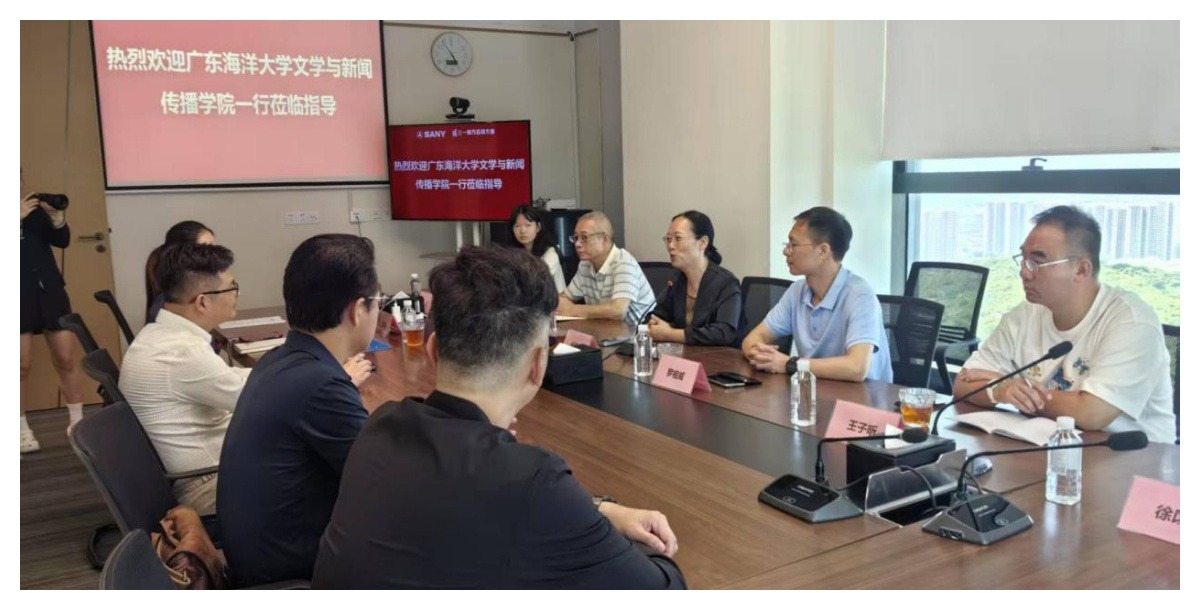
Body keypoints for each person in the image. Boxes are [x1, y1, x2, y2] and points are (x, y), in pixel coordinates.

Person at [313, 246, 686, 589]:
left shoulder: (380, 426)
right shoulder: (530, 479)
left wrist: (599, 509)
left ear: (432, 350)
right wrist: (636, 545)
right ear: (538, 366)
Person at [218, 234, 381, 586]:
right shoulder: (321, 385)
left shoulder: (279, 359)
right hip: (291, 569)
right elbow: (384, 480)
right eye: (377, 303)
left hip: (258, 553)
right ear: (357, 310)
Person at [954, 205, 1176, 443]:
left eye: (1037, 262)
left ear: (1081, 269)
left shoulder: (1132, 321)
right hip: (1048, 446)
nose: (1024, 273)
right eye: (1023, 260)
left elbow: (1091, 413)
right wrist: (1000, 390)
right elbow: (963, 383)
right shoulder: (1025, 314)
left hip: (1131, 456)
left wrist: (1018, 392)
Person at [119, 243, 249, 513]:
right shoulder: (183, 352)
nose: (237, 294)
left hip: (207, 469)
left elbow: (228, 380)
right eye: (232, 287)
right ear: (202, 301)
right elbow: (258, 401)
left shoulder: (160, 335)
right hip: (209, 484)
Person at [741, 207, 892, 382]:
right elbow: (752, 339)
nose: (786, 251)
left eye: (793, 245)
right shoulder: (797, 291)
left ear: (823, 251)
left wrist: (789, 364)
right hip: (816, 389)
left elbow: (857, 368)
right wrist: (760, 354)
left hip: (863, 396)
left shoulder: (859, 296)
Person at [20, 168, 86, 453]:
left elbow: (61, 241)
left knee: (66, 357)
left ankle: (78, 424)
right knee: (20, 365)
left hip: (49, 290)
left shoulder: (35, 210)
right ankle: (20, 428)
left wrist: (58, 219)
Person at [647, 210, 742, 346]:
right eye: (668, 239)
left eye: (678, 238)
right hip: (685, 355)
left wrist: (670, 334)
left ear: (702, 242)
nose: (671, 246)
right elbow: (657, 316)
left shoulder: (726, 283)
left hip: (721, 357)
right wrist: (653, 324)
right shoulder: (677, 280)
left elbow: (723, 333)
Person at [558, 211, 656, 326]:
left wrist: (572, 310)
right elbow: (564, 298)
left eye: (584, 237)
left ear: (604, 239)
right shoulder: (585, 264)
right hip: (605, 332)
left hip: (637, 334)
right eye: (575, 238)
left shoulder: (623, 262)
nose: (577, 244)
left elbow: (618, 311)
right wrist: (562, 304)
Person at [145, 220, 214, 325]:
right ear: (181, 255)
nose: (215, 256)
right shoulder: (171, 305)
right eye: (206, 250)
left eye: (214, 250)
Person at [509, 204, 566, 292]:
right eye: (517, 226)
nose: (522, 230)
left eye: (528, 225)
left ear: (538, 227)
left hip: (553, 299)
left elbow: (535, 281)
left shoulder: (550, 253)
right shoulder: (514, 254)